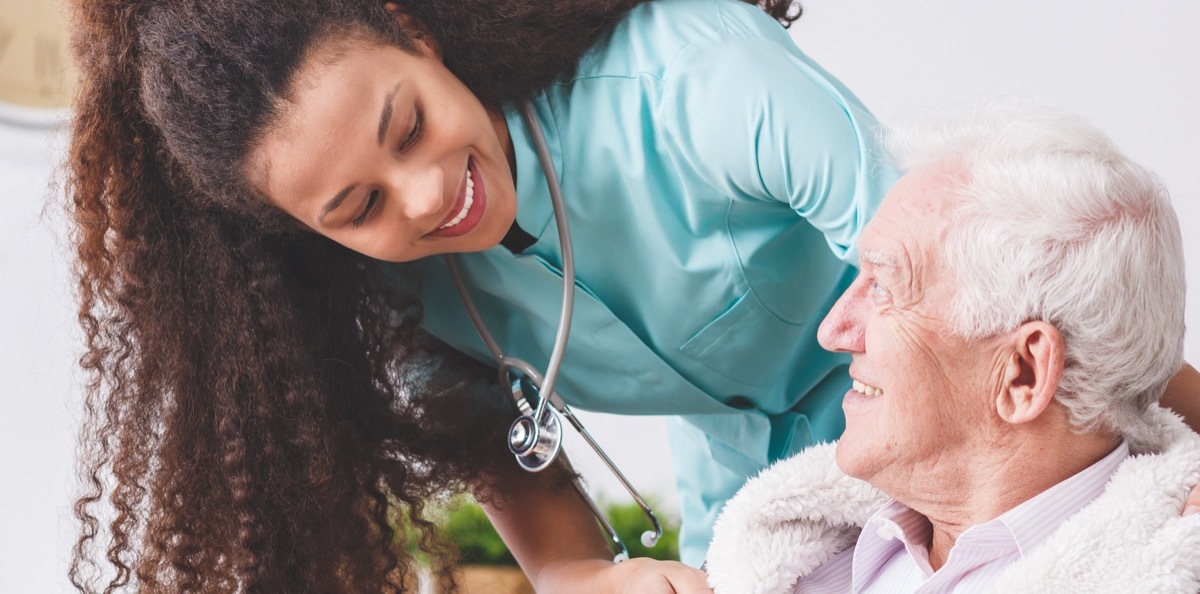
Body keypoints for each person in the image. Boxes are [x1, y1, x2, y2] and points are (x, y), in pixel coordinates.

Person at [64, 0, 1200, 590]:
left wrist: (1173, 429)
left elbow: (992, 290)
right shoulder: (401, 300)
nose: (424, 198)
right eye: (354, 208)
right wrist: (569, 570)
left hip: (948, 411)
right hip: (757, 496)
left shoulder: (699, 78)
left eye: (407, 125)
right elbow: (495, 450)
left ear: (414, 33)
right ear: (310, 238)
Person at [704, 99, 1200, 593]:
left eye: (884, 287)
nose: (833, 331)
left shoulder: (1162, 571)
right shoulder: (786, 554)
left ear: (1021, 373)